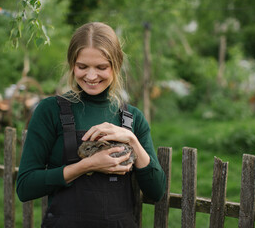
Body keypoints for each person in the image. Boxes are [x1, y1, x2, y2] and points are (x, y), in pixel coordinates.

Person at [16, 22, 166, 228]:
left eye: (101, 67)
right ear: (72, 65)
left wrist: (131, 139)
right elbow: (25, 187)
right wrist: (87, 165)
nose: (91, 76)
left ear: (116, 65)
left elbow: (156, 192)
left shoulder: (132, 118)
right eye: (82, 66)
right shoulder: (50, 110)